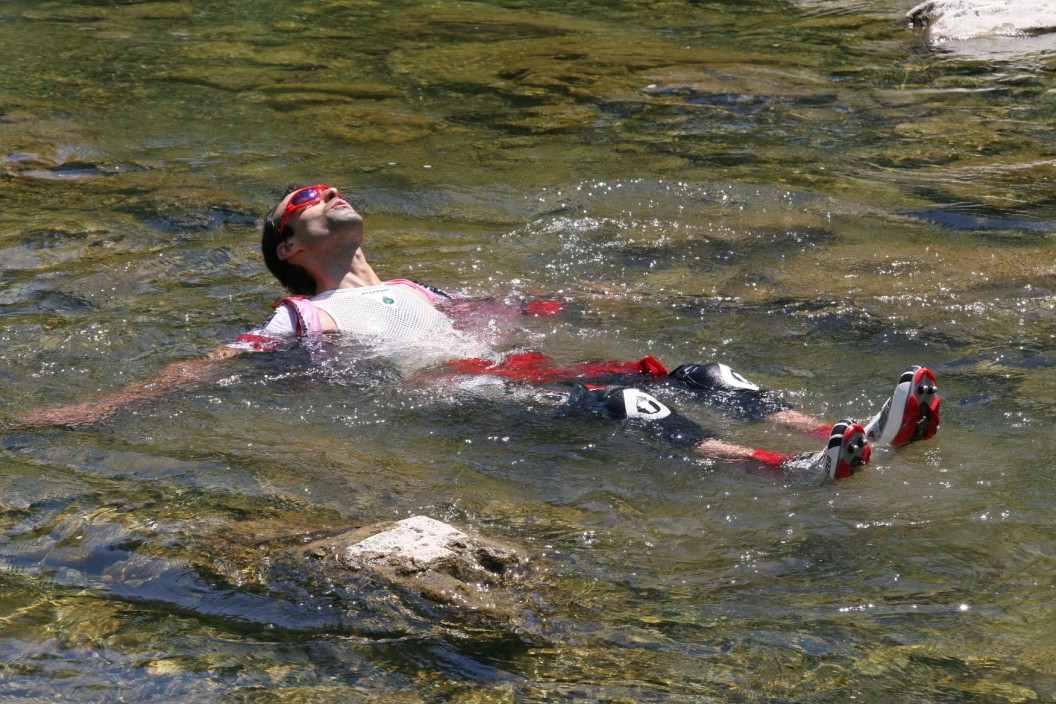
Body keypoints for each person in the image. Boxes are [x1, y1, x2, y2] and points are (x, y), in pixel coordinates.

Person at [12, 184, 941, 481]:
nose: (332, 199)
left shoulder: (409, 283)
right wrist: (101, 405)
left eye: (334, 194)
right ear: (291, 248)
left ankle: (846, 433)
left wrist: (567, 300)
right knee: (624, 399)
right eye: (311, 205)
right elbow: (213, 364)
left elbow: (500, 313)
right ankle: (792, 473)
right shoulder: (301, 313)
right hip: (452, 393)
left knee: (691, 367)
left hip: (511, 367)